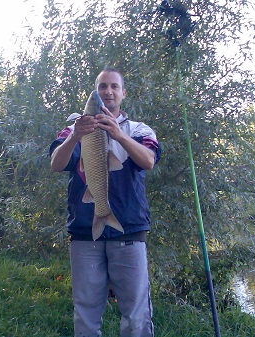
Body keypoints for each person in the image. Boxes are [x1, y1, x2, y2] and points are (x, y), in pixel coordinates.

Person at [49, 67, 161, 337]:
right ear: (95, 92)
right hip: (84, 231)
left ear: (123, 93)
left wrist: (119, 135)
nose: (107, 92)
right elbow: (56, 164)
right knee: (86, 312)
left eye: (113, 87)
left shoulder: (139, 129)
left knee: (136, 315)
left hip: (129, 229)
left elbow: (148, 161)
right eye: (102, 87)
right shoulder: (74, 127)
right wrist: (76, 135)